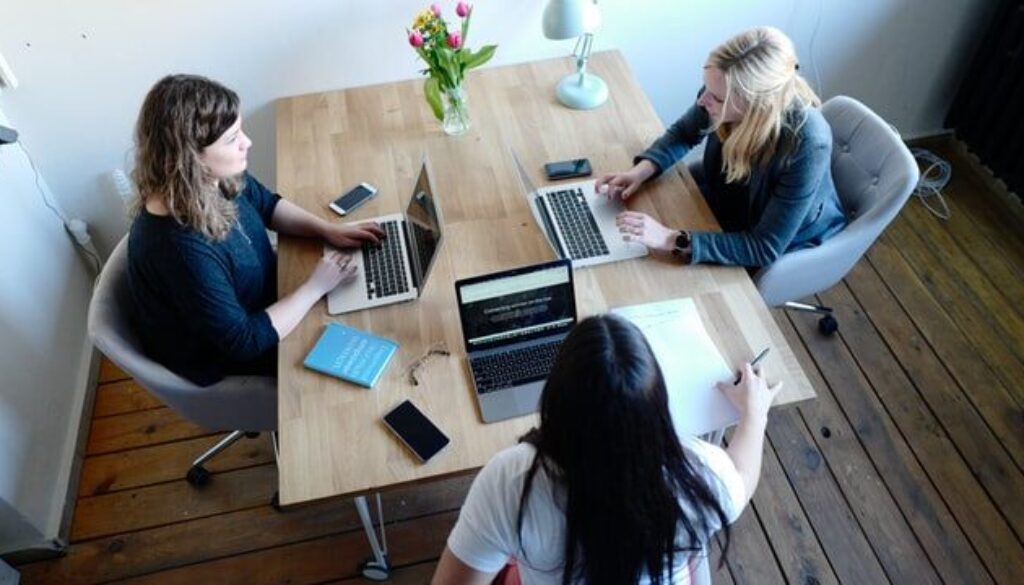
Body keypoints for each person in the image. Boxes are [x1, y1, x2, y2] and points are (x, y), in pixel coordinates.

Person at [432, 314, 781, 584]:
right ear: (657, 407)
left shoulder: (511, 481)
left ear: (555, 399)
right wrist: (755, 413)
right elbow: (743, 476)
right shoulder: (700, 475)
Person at [127, 74, 384, 386]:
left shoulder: (207, 179)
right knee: (373, 335)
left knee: (369, 301)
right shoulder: (180, 251)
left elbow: (266, 205)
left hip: (270, 297)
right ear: (190, 157)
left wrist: (326, 230)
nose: (246, 143)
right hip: (235, 353)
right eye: (232, 139)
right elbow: (242, 341)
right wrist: (315, 288)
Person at [598, 26, 846, 268]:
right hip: (727, 194)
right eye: (706, 87)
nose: (702, 100)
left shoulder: (807, 144)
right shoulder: (719, 88)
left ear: (757, 105)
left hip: (776, 237)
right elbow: (684, 133)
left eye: (716, 98)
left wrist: (670, 238)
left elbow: (764, 246)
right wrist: (640, 172)